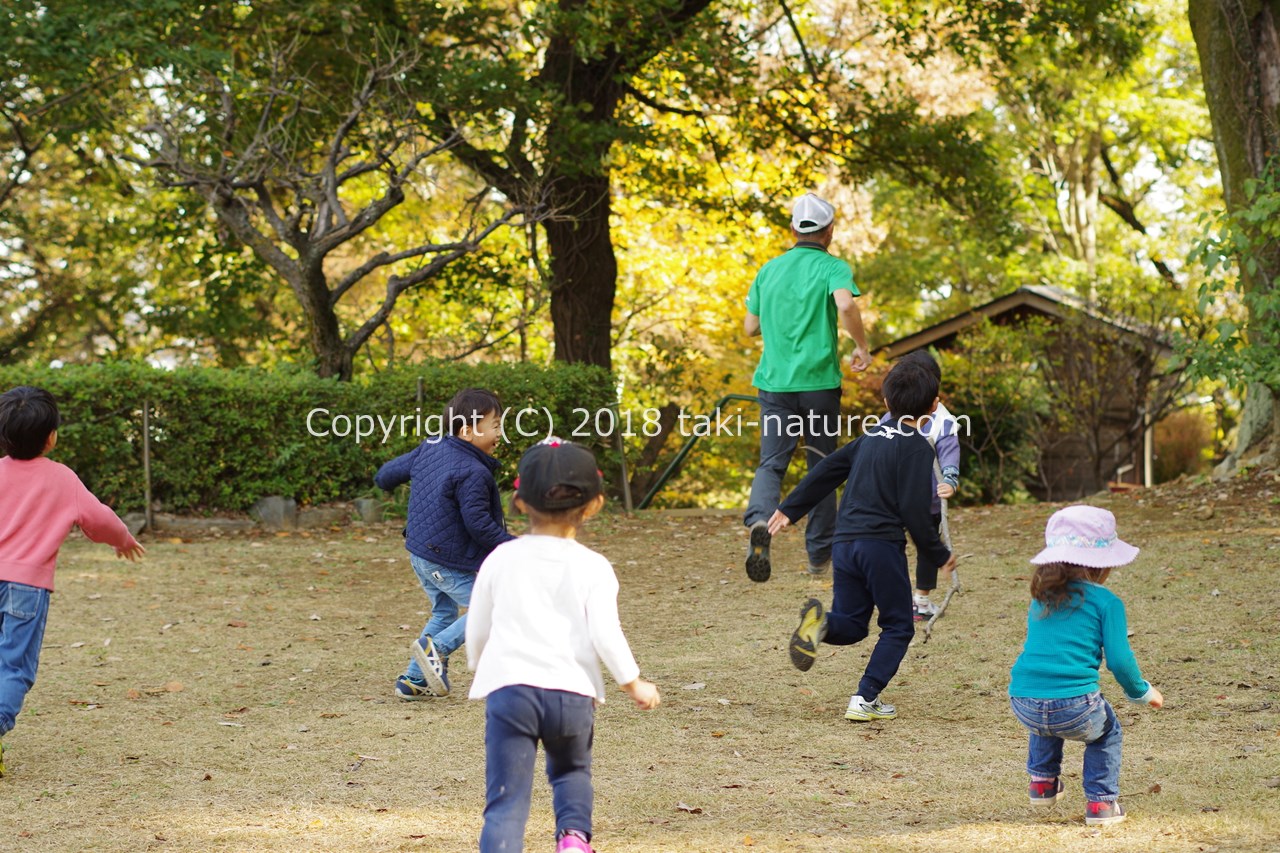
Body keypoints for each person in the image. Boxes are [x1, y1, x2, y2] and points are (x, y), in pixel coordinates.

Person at [466, 439, 660, 853]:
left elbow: (478, 625)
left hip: (510, 691)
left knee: (506, 802)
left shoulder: (500, 558)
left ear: (520, 502)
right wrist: (633, 683)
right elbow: (606, 633)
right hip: (572, 694)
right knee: (572, 772)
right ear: (594, 505)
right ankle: (573, 839)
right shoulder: (594, 566)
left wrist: (481, 664)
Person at [767, 358, 955, 722]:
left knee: (852, 625)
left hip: (844, 544)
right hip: (880, 547)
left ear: (885, 402)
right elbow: (915, 511)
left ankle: (820, 624)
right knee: (898, 625)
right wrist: (938, 552)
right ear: (934, 406)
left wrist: (791, 508)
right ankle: (865, 697)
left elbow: (827, 470)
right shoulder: (919, 448)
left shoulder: (869, 437)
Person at [0, 386, 145, 777]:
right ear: (51, 437)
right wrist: (123, 539)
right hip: (26, 587)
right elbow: (99, 519)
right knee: (13, 667)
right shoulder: (61, 478)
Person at [743, 191, 871, 583]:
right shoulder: (833, 267)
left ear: (793, 229)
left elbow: (750, 327)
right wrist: (861, 346)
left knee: (771, 463)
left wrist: (779, 318)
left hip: (775, 385)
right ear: (829, 231)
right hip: (819, 386)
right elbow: (846, 305)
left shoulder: (769, 270)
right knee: (822, 466)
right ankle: (818, 556)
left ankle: (760, 521)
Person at [1009, 505, 1164, 826]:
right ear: (1103, 564)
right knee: (1107, 733)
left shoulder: (1041, 597)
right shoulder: (1107, 602)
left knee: (1046, 721)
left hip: (1023, 700)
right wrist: (1142, 692)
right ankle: (1101, 804)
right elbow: (1119, 661)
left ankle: (1042, 784)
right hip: (1075, 705)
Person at [374, 388, 514, 701]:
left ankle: (414, 679)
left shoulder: (432, 445)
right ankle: (437, 649)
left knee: (444, 613)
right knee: (494, 607)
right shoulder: (473, 472)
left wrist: (385, 479)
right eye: (495, 426)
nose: (499, 434)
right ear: (467, 432)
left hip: (420, 554)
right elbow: (479, 525)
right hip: (444, 560)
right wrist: (515, 547)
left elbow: (387, 475)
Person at [879, 350, 962, 621]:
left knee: (928, 548)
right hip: (892, 498)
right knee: (891, 545)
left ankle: (922, 601)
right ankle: (894, 597)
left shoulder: (943, 422)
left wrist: (949, 480)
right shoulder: (889, 418)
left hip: (928, 500)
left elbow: (949, 453)